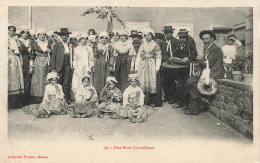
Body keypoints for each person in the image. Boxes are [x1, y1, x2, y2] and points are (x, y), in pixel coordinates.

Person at [184, 30, 225, 115]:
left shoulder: (215, 49)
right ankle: (201, 100)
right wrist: (199, 70)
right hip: (206, 70)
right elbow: (205, 63)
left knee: (193, 84)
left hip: (214, 71)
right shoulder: (207, 47)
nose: (205, 41)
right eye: (203, 39)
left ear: (212, 39)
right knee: (189, 81)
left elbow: (209, 62)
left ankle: (194, 108)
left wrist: (200, 59)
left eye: (207, 39)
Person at [171, 29, 198, 109]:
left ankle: (186, 104)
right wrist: (173, 58)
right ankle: (180, 102)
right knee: (179, 85)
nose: (182, 39)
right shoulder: (179, 44)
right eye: (181, 38)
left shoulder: (190, 43)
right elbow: (175, 53)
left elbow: (194, 54)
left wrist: (188, 57)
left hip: (188, 68)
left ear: (187, 38)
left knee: (186, 85)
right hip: (179, 68)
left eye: (184, 38)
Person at [135, 29, 162, 106]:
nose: (147, 37)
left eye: (148, 35)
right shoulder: (142, 45)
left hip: (152, 64)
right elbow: (138, 56)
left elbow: (158, 57)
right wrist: (136, 67)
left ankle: (153, 101)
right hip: (143, 65)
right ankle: (145, 100)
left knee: (152, 81)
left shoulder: (156, 45)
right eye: (145, 36)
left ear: (152, 36)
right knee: (143, 80)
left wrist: (157, 68)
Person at [50, 28, 73, 104]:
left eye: (66, 35)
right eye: (62, 35)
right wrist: (53, 68)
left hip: (67, 65)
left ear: (68, 36)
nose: (64, 37)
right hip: (59, 66)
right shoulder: (56, 45)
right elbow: (53, 57)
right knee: (59, 81)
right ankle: (58, 98)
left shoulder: (70, 45)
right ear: (60, 36)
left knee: (67, 82)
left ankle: (66, 98)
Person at [30, 28, 52, 104]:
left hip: (46, 62)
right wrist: (31, 66)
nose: (42, 36)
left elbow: (50, 55)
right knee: (37, 79)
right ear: (38, 35)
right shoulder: (34, 44)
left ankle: (45, 96)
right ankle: (38, 98)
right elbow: (32, 56)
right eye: (41, 34)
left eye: (44, 34)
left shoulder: (48, 43)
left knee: (45, 79)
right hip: (38, 62)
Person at [161, 26, 180, 104]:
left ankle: (173, 97)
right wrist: (165, 59)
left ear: (172, 33)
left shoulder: (176, 41)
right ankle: (167, 96)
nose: (168, 34)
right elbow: (161, 52)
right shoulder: (162, 42)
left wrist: (174, 59)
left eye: (169, 33)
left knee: (172, 81)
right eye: (166, 33)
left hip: (174, 64)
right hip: (165, 63)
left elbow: (179, 52)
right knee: (165, 81)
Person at [72, 33, 94, 99]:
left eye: (85, 39)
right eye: (83, 39)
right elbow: (74, 59)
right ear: (80, 40)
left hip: (86, 67)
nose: (84, 41)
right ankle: (78, 97)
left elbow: (91, 59)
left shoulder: (89, 48)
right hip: (78, 67)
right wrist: (75, 67)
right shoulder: (77, 49)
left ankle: (86, 97)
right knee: (77, 82)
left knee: (86, 81)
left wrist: (89, 67)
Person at [8, 24, 24, 108]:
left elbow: (20, 51)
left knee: (17, 80)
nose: (12, 32)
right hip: (7, 61)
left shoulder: (17, 40)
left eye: (13, 31)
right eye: (10, 30)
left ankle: (16, 102)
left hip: (16, 60)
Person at [19, 26, 32, 105]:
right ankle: (20, 99)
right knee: (21, 80)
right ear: (21, 34)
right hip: (20, 61)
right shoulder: (18, 41)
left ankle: (26, 99)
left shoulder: (30, 41)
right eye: (23, 33)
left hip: (28, 61)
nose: (25, 35)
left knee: (27, 80)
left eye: (27, 33)